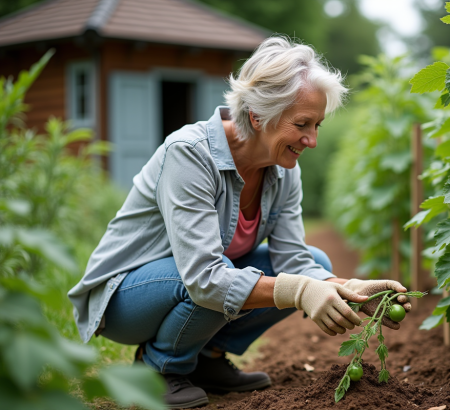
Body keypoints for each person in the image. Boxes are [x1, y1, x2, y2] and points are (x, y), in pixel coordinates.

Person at [68, 36, 412, 409]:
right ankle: (159, 367)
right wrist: (298, 291)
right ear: (257, 116)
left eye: (318, 126)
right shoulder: (190, 154)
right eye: (302, 124)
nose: (311, 140)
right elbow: (204, 277)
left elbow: (294, 260)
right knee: (220, 275)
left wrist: (348, 288)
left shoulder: (283, 169)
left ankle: (207, 359)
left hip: (194, 281)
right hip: (126, 298)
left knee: (318, 266)